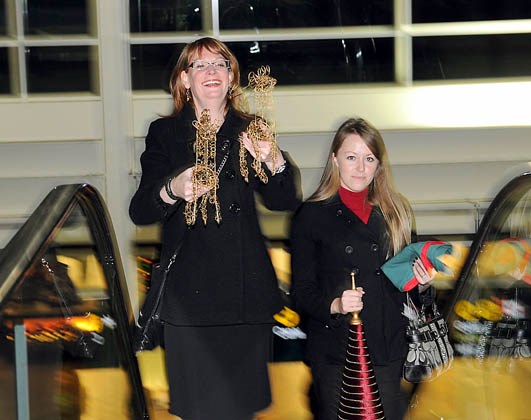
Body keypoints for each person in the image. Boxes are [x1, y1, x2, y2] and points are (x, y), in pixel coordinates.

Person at [129, 37, 301, 419]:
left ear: (231, 77)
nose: (211, 71)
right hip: (190, 302)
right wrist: (174, 188)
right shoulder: (166, 133)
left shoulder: (251, 128)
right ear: (184, 80)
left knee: (240, 410)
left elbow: (284, 200)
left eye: (220, 64)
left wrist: (273, 158)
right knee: (199, 410)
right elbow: (140, 210)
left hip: (245, 296)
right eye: (200, 65)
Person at [290, 117, 434, 419]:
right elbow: (301, 293)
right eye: (351, 157)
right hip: (337, 351)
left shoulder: (397, 212)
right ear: (335, 160)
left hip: (387, 347)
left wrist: (422, 282)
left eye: (369, 159)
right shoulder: (311, 215)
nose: (360, 168)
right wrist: (336, 304)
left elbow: (408, 286)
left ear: (379, 165)